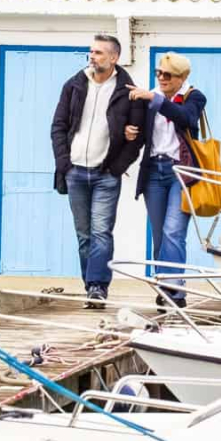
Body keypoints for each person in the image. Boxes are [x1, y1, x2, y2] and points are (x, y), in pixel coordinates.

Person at [51, 34, 145, 308]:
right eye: (91, 52)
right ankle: (89, 285)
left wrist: (117, 167)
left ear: (114, 58)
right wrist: (64, 163)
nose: (93, 56)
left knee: (102, 232)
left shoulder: (129, 91)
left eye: (99, 53)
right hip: (76, 171)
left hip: (106, 174)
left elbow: (138, 136)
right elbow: (58, 126)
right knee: (84, 235)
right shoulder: (74, 85)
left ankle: (97, 287)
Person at [126, 52, 206, 309]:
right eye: (158, 73)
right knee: (160, 235)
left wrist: (156, 100)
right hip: (153, 172)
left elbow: (187, 118)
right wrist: (127, 132)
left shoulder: (193, 96)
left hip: (180, 172)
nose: (161, 78)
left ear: (182, 77)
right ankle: (165, 286)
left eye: (167, 74)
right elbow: (140, 135)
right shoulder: (149, 97)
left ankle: (174, 292)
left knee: (174, 231)